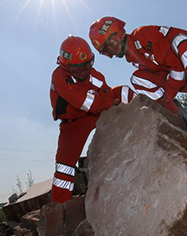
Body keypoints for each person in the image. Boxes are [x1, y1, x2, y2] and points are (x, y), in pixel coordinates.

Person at [88, 17, 187, 136]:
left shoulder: (143, 35)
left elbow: (177, 66)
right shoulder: (137, 60)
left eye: (111, 45)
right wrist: (168, 101)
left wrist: (168, 96)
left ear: (118, 34)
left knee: (181, 43)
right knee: (138, 79)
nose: (112, 52)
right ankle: (186, 121)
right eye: (106, 51)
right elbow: (171, 74)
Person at [50, 35, 134, 203]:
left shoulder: (95, 75)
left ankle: (139, 123)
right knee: (64, 167)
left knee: (123, 92)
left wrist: (113, 103)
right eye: (77, 67)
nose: (83, 70)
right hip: (73, 125)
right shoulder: (59, 77)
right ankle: (59, 206)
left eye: (86, 64)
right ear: (65, 65)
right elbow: (82, 101)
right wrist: (110, 103)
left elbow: (106, 93)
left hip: (95, 114)